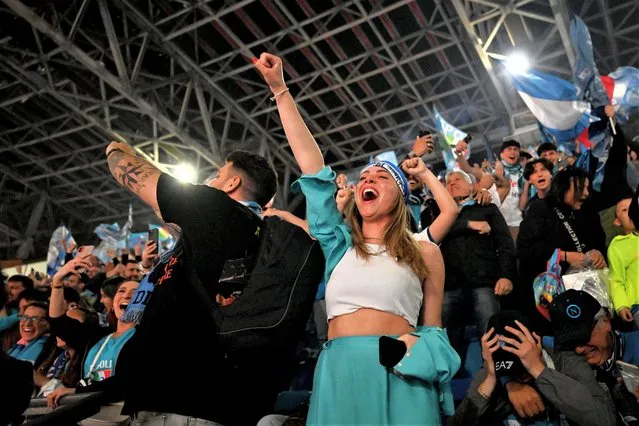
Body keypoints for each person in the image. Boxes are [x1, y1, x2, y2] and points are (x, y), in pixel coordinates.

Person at [254, 51, 459, 425]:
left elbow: (433, 328)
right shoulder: (339, 245)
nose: (367, 181)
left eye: (380, 178)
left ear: (400, 196)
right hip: (338, 372)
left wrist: (416, 348)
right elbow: (313, 168)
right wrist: (281, 90)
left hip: (401, 373)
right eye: (364, 177)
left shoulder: (425, 250)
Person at [103, 141, 279, 425]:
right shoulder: (256, 231)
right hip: (213, 395)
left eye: (219, 174)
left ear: (233, 182)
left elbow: (139, 179)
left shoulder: (215, 206)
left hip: (177, 399)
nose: (211, 180)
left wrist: (117, 152)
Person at [448, 310, 616, 425]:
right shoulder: (493, 368)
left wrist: (539, 371)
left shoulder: (566, 359)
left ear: (537, 344)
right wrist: (493, 380)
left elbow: (605, 421)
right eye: (509, 370)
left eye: (521, 367)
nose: (519, 377)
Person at [609, 187, 639, 325]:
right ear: (617, 221)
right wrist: (622, 305)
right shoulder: (618, 246)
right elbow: (616, 279)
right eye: (624, 210)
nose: (631, 212)